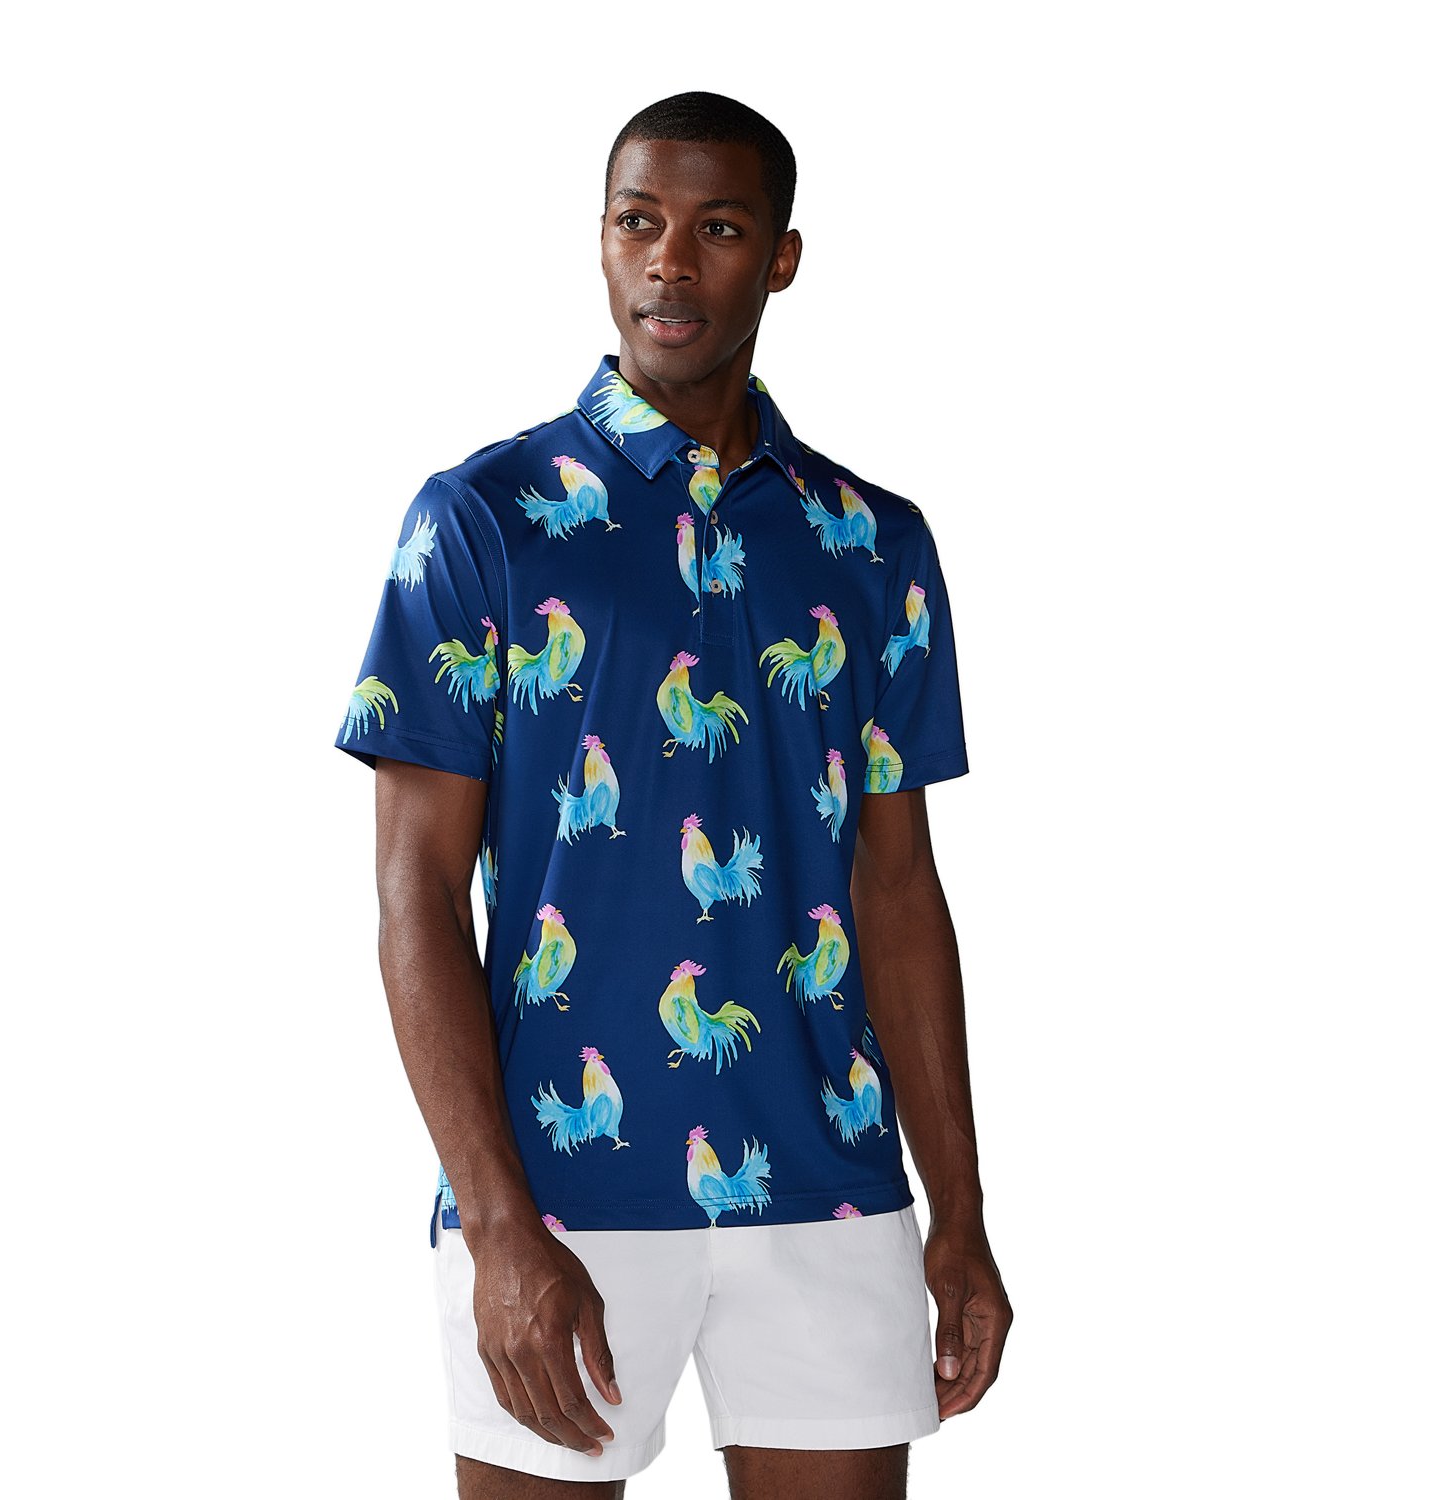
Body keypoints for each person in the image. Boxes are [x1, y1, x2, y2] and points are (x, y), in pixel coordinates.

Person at [333, 90, 1011, 1500]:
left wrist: (960, 1211)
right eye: (639, 222)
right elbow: (414, 894)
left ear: (781, 257)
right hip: (561, 1199)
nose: (670, 261)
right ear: (600, 240)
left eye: (718, 228)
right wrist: (499, 1226)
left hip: (830, 1183)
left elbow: (897, 891)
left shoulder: (872, 543)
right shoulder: (481, 522)